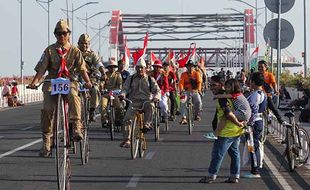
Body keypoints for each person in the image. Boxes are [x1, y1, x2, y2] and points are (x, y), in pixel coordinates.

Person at [28, 19, 92, 157]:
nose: (61, 36)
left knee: (74, 97)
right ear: (55, 34)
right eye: (58, 34)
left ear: (68, 34)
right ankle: (47, 142)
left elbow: (82, 69)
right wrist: (34, 82)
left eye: (64, 33)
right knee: (47, 109)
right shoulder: (49, 50)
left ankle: (76, 127)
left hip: (69, 81)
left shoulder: (75, 50)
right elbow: (41, 69)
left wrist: (88, 82)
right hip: (52, 82)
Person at [199, 75, 244, 184]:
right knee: (234, 153)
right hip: (236, 131)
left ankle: (211, 176)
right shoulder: (229, 95)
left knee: (217, 154)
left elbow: (228, 114)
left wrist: (237, 123)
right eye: (210, 85)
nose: (211, 87)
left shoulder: (223, 98)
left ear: (221, 85)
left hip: (227, 131)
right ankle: (234, 176)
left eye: (214, 85)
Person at [119, 58, 161, 148]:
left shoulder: (150, 79)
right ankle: (127, 139)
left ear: (145, 69)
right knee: (126, 120)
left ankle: (147, 124)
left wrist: (156, 97)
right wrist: (122, 94)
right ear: (135, 68)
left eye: (142, 67)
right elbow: (125, 88)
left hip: (146, 101)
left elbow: (157, 90)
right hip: (134, 102)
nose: (140, 69)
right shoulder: (131, 78)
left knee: (151, 105)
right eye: (138, 67)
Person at [243, 72, 267, 178]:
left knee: (253, 146)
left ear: (253, 82)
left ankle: (255, 170)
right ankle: (255, 168)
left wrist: (248, 124)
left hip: (254, 122)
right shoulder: (262, 93)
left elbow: (253, 111)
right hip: (258, 121)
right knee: (253, 146)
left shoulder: (255, 95)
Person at [77, 33, 106, 122]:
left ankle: (92, 110)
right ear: (78, 43)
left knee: (95, 90)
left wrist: (103, 73)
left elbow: (98, 64)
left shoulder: (92, 54)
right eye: (82, 43)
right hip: (77, 78)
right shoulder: (74, 52)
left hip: (90, 79)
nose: (84, 45)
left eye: (86, 43)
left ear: (89, 44)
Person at [179, 60, 203, 124]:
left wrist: (198, 90)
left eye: (192, 66)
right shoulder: (183, 74)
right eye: (189, 66)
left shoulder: (197, 73)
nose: (190, 67)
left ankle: (197, 115)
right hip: (186, 91)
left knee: (198, 102)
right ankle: (183, 118)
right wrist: (181, 90)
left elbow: (199, 83)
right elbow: (181, 83)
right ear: (187, 67)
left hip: (195, 91)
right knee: (182, 102)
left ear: (193, 67)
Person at [101, 60, 123, 127]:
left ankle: (118, 119)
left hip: (114, 94)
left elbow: (119, 85)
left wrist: (116, 91)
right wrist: (102, 89)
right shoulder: (105, 75)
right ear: (108, 68)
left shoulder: (118, 75)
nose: (112, 68)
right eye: (110, 67)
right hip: (106, 93)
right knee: (103, 106)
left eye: (113, 67)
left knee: (119, 107)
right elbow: (102, 84)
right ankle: (105, 120)